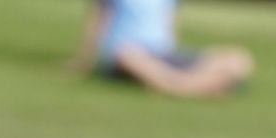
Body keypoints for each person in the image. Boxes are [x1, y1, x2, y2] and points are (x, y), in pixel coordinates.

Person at [73, 0, 253, 99]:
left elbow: (171, 26)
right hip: (128, 53)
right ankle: (199, 87)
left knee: (238, 59)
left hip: (163, 54)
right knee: (127, 55)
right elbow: (97, 23)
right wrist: (83, 62)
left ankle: (175, 86)